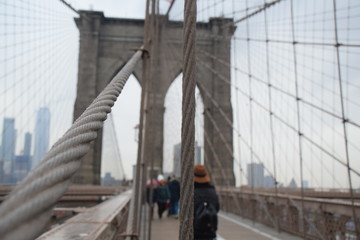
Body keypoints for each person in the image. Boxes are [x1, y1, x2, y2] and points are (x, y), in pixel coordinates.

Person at [194, 164, 220, 240]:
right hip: (210, 231)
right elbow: (217, 208)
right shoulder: (212, 191)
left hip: (196, 233)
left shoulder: (191, 192)